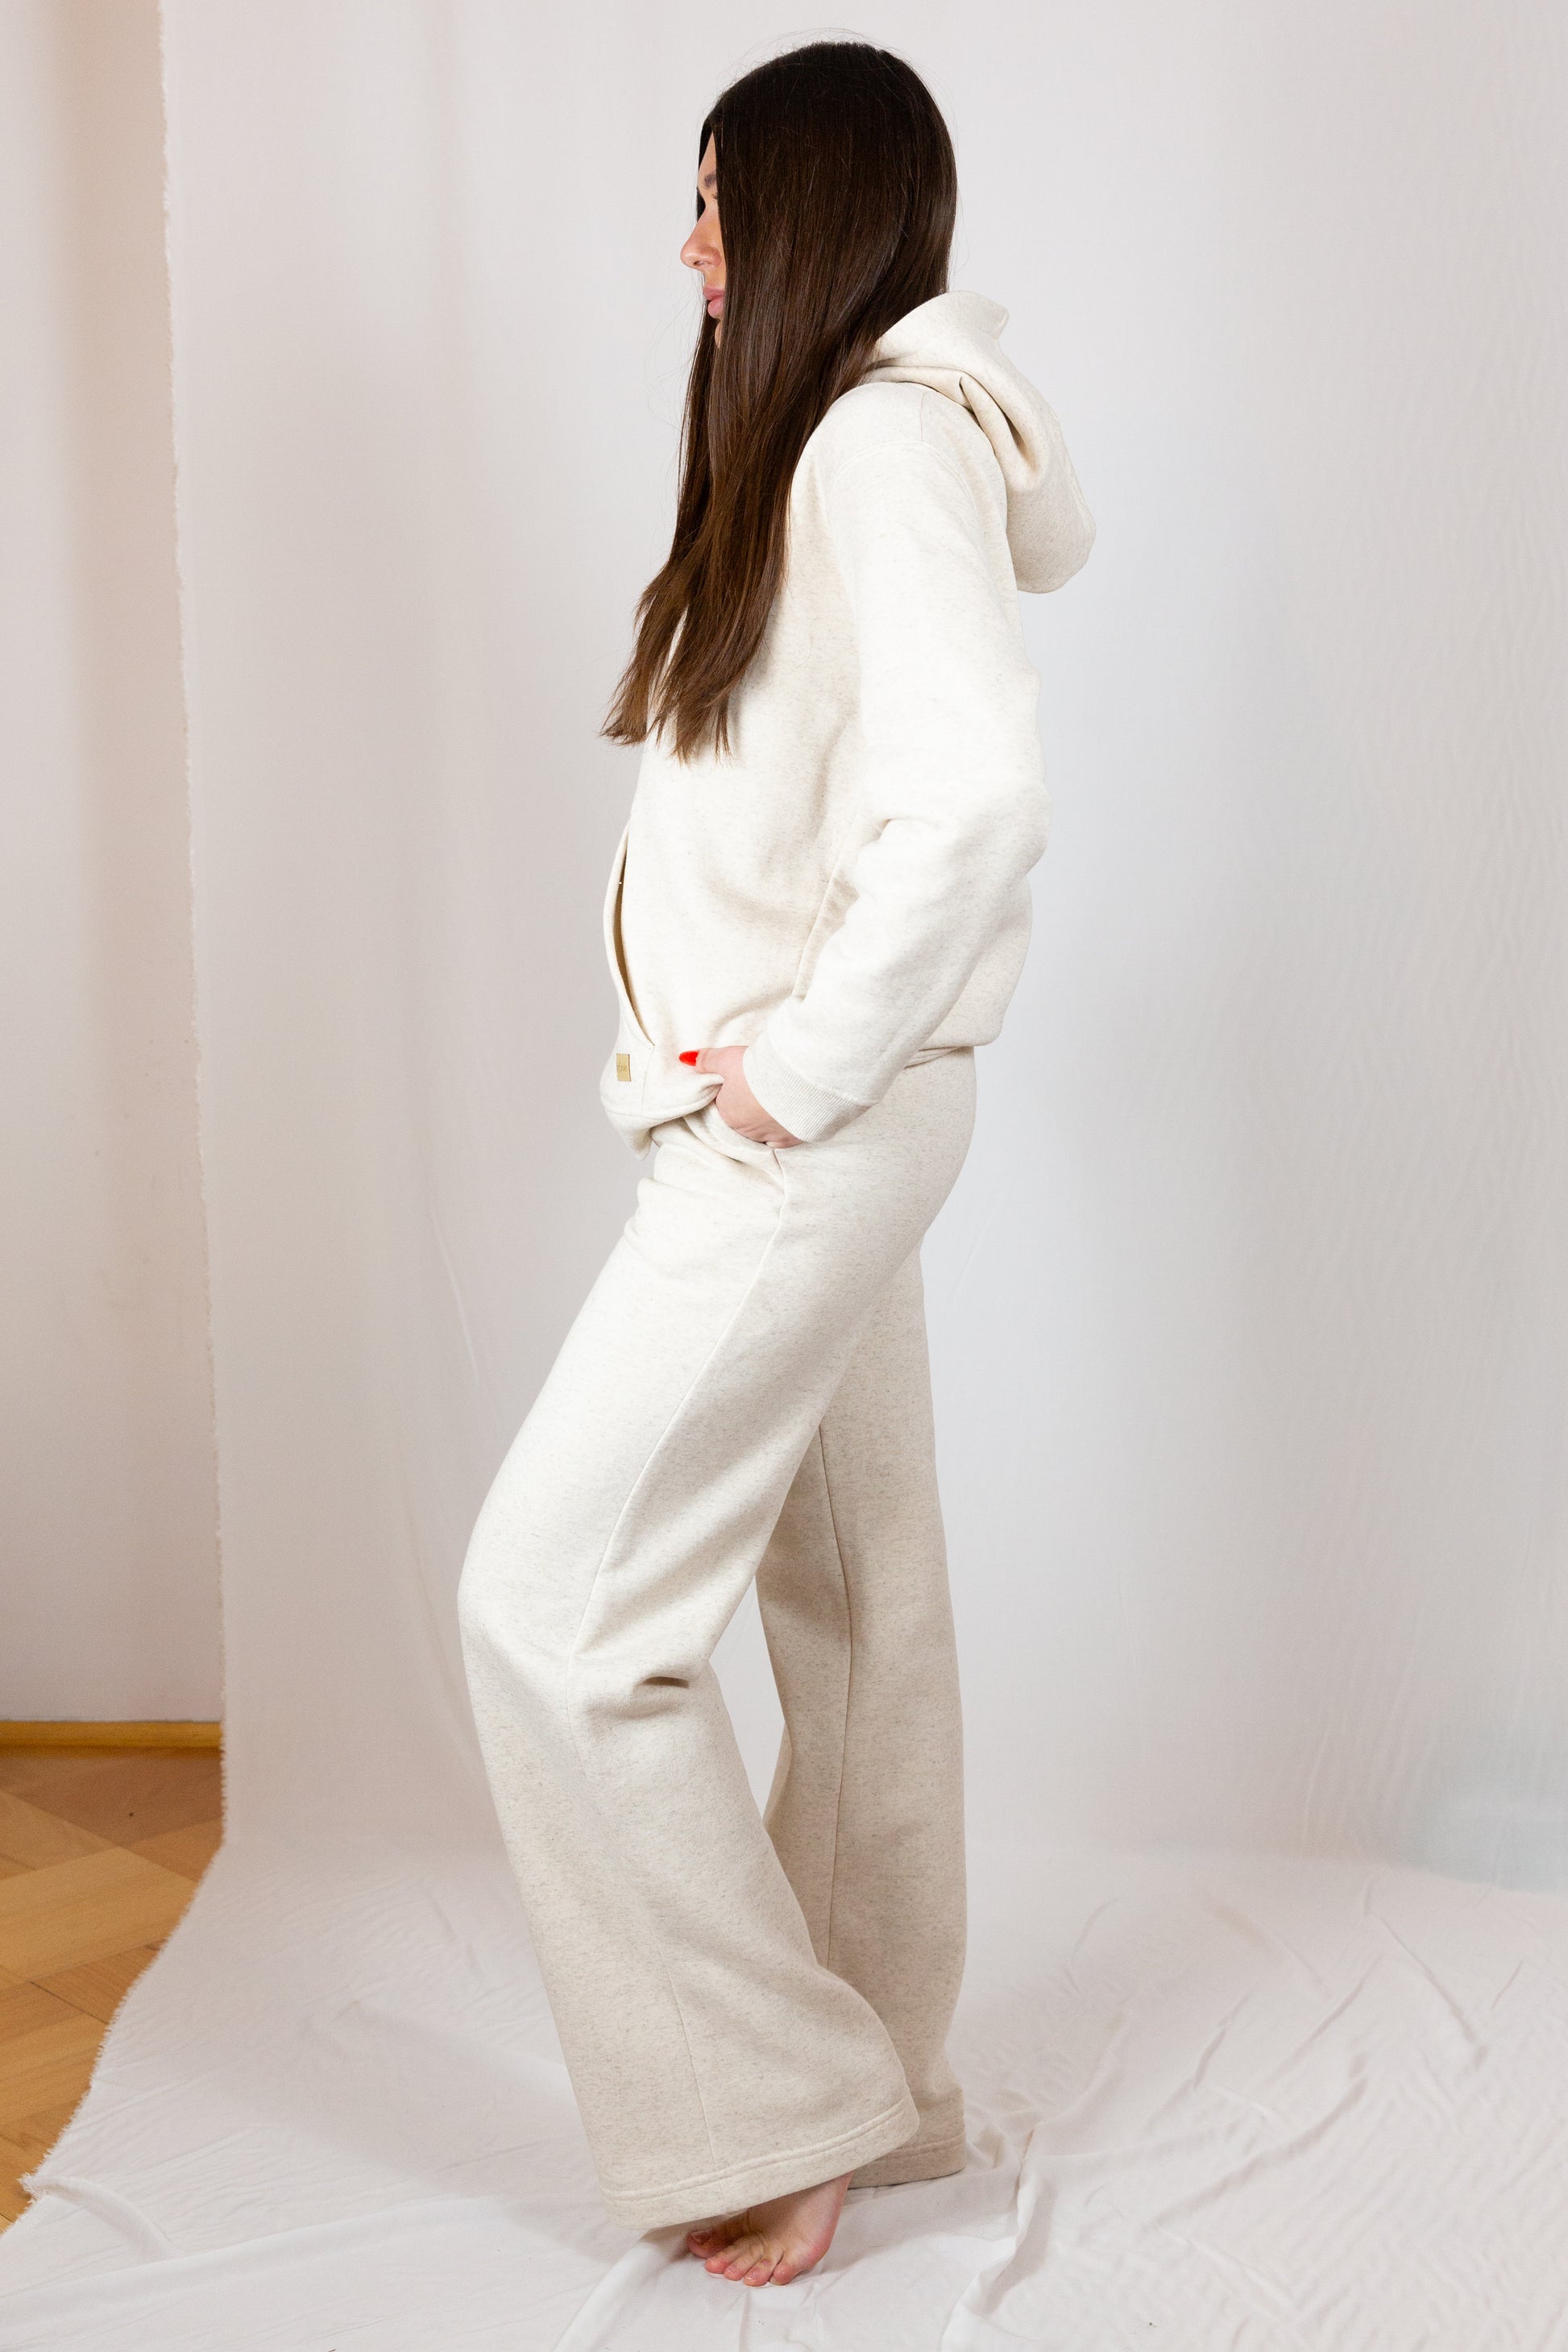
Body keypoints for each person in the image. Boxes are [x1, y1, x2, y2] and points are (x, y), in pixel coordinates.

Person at [458, 37, 1094, 2290]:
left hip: (813, 1127)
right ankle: (873, 2088)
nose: (690, 248)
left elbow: (976, 795)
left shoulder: (877, 444)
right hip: (846, 1114)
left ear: (811, 210)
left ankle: (771, 2101)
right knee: (855, 1597)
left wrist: (791, 1075)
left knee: (548, 1612)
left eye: (718, 204)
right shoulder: (870, 440)